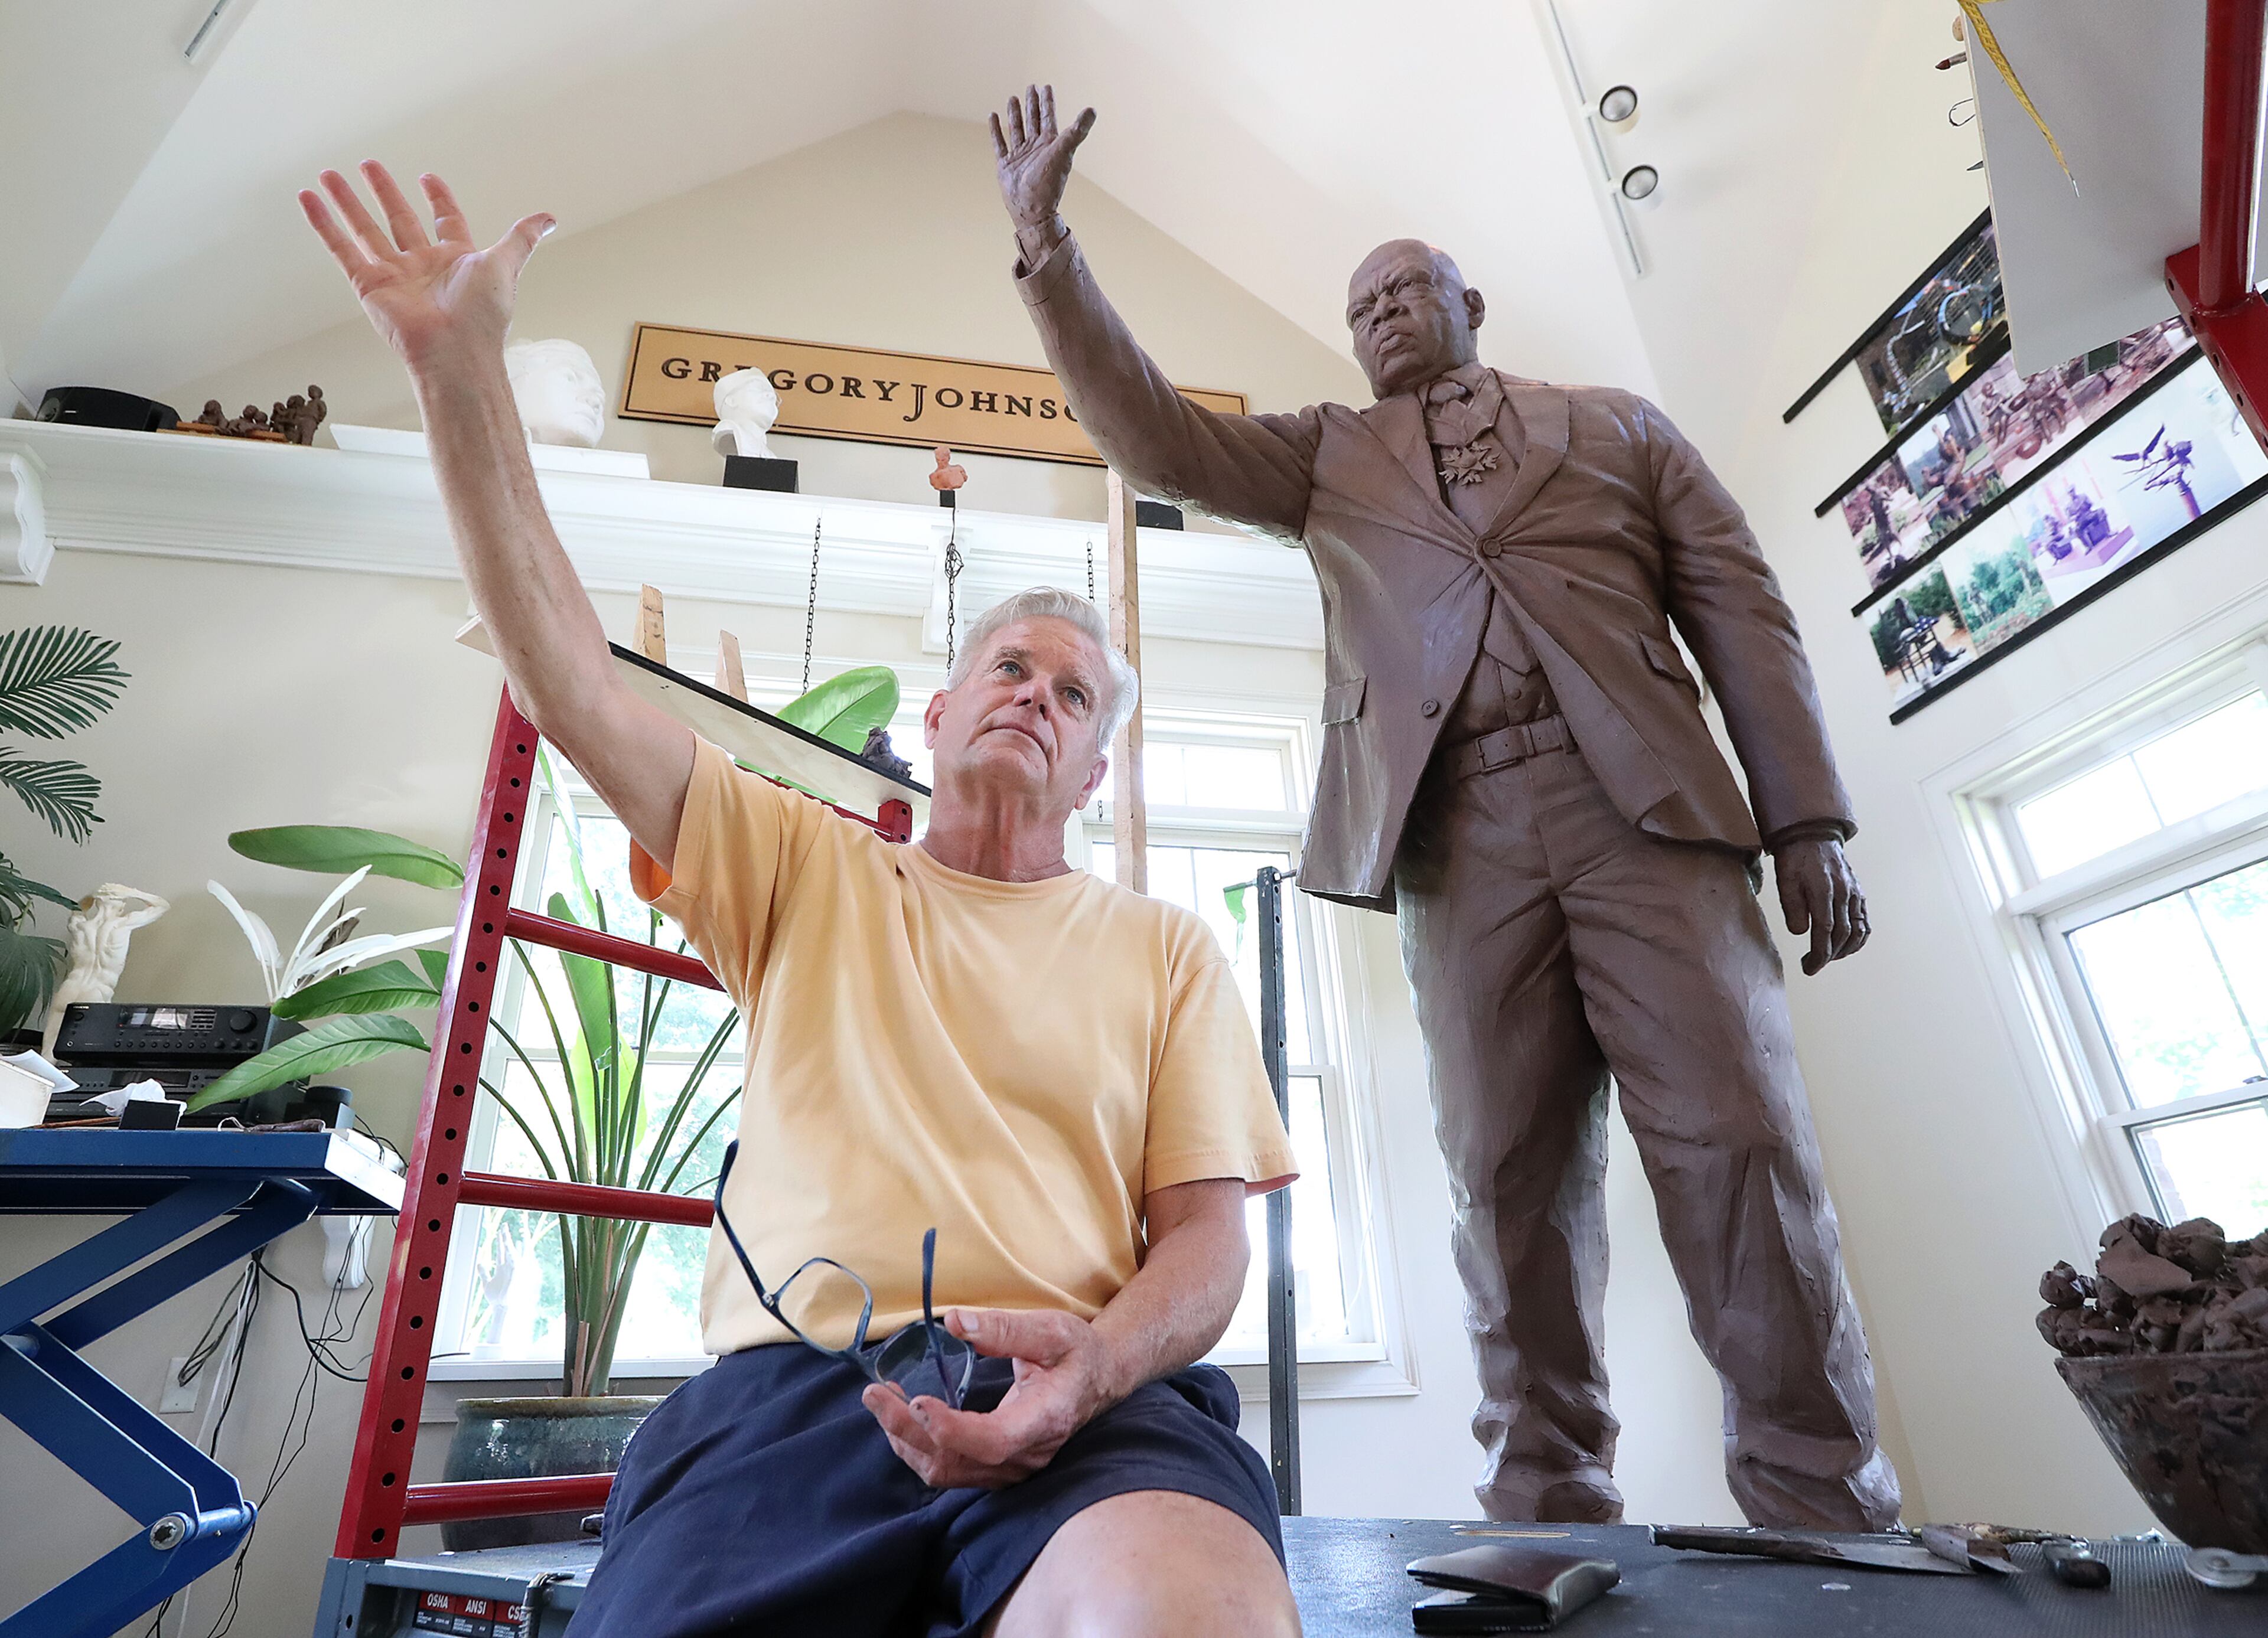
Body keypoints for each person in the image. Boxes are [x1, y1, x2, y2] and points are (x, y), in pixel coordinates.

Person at [299, 161, 1302, 1638]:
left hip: (1085, 1405)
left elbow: (1211, 1245)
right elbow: (570, 679)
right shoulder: (801, 862)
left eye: (1074, 694)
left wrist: (1086, 1374)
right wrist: (460, 374)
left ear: (1096, 771)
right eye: (1009, 670)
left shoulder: (1164, 950)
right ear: (938, 711)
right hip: (792, 1402)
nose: (1036, 695)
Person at [992, 85, 1901, 1530]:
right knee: (1499, 1171)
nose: (1384, 316)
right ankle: (1544, 1499)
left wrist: (1806, 820)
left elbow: (1745, 611)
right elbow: (1158, 437)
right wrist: (1048, 249)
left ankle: (1825, 1500)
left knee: (1738, 1137)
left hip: (1650, 819)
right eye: (1362, 308)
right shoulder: (1326, 455)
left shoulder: (1619, 424)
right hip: (1459, 840)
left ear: (1471, 299)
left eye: (1407, 288)